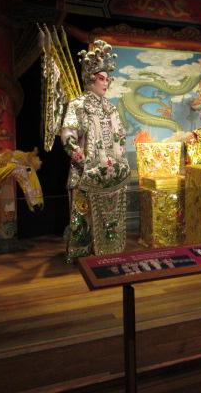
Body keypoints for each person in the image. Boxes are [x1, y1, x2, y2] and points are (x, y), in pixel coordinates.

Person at [61, 40, 130, 261]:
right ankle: (82, 254)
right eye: (101, 78)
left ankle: (110, 250)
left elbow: (120, 136)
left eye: (108, 79)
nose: (106, 83)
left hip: (111, 173)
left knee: (110, 215)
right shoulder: (78, 105)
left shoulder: (110, 107)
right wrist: (76, 153)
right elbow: (68, 134)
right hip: (85, 171)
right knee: (82, 216)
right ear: (90, 78)